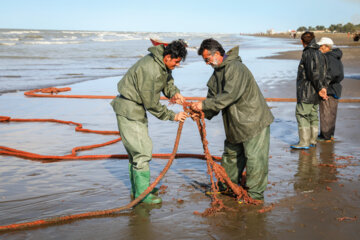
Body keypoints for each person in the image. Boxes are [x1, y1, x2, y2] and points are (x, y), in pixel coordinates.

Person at [191, 38, 274, 201]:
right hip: (234, 123)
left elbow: (229, 95)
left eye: (207, 59)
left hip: (253, 121)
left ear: (217, 54)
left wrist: (203, 105)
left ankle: (255, 195)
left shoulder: (236, 68)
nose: (207, 63)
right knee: (231, 156)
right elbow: (213, 98)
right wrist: (202, 112)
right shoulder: (217, 73)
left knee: (255, 159)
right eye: (205, 60)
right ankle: (227, 187)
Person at [110, 40, 188, 204]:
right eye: (176, 61)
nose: (177, 65)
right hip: (130, 109)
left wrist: (174, 94)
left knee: (136, 152)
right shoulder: (152, 70)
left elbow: (167, 82)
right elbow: (151, 103)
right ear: (167, 57)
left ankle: (139, 190)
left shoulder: (161, 63)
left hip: (134, 108)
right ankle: (142, 195)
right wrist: (172, 116)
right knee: (142, 152)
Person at [290, 32, 327, 150]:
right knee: (312, 115)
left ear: (302, 41)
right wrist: (323, 88)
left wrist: (321, 88)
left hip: (307, 91)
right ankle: (312, 140)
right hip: (315, 91)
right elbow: (324, 72)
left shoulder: (308, 53)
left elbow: (313, 73)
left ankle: (304, 142)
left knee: (301, 114)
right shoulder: (319, 52)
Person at [317, 37, 344, 141]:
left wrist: (324, 86)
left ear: (327, 46)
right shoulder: (335, 56)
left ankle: (325, 136)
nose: (319, 47)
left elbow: (333, 73)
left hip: (330, 88)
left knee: (326, 113)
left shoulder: (328, 57)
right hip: (335, 88)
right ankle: (330, 135)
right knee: (331, 113)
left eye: (321, 46)